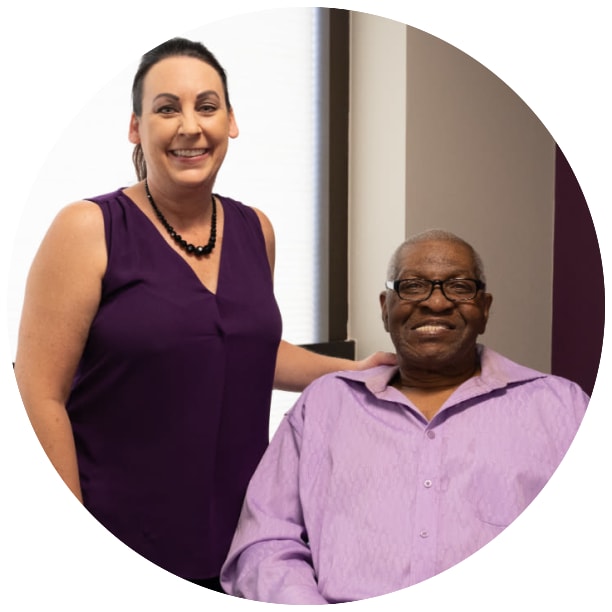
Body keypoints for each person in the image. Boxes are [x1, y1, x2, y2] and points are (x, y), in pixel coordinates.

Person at [12, 37, 394, 592]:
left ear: (231, 121)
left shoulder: (254, 229)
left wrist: (353, 371)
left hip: (241, 538)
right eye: (166, 108)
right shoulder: (87, 228)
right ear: (135, 127)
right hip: (120, 536)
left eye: (206, 106)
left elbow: (241, 348)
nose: (189, 126)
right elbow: (37, 393)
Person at [220, 229, 589, 604]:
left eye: (459, 286)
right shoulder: (324, 406)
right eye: (413, 286)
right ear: (385, 307)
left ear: (485, 308)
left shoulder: (561, 408)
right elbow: (264, 544)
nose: (436, 303)